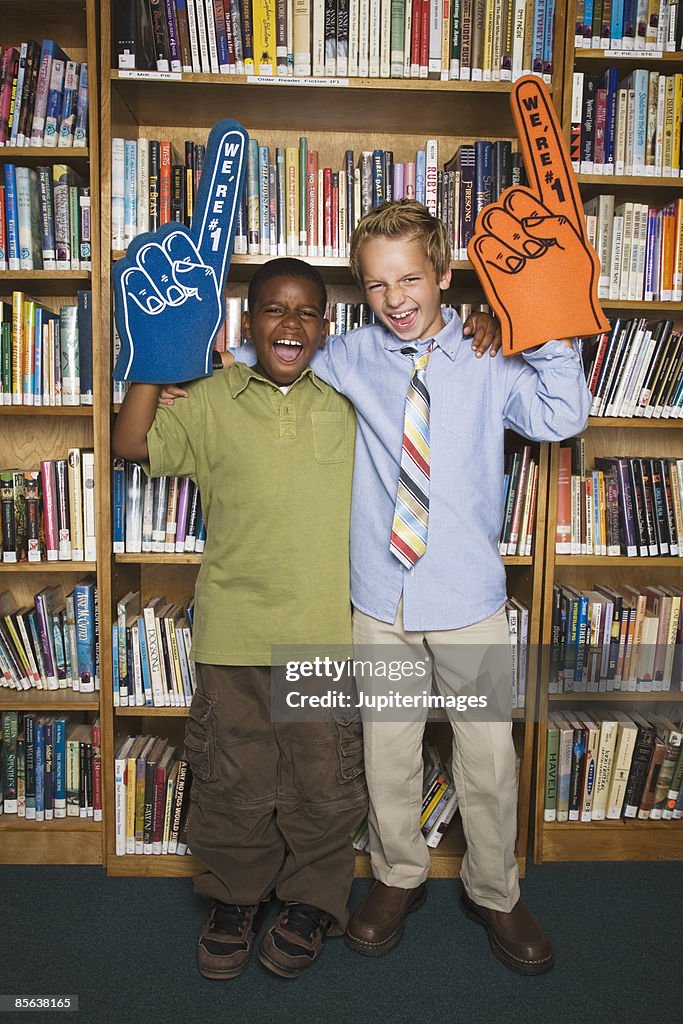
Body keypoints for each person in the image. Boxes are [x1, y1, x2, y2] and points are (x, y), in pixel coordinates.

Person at [217, 199, 591, 975]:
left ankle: (495, 891)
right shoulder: (350, 354)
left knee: (486, 755)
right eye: (377, 283)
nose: (395, 298)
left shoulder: (491, 356)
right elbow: (276, 359)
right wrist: (203, 387)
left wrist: (532, 326)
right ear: (362, 290)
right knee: (388, 754)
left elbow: (560, 416)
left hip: (470, 602)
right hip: (379, 601)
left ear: (444, 276)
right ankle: (397, 876)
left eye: (410, 278)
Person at [112, 259, 369, 981]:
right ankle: (235, 898)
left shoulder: (349, 399)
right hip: (231, 634)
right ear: (246, 322)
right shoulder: (212, 397)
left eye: (306, 312)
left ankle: (313, 900)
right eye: (273, 310)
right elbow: (131, 444)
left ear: (326, 324)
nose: (290, 325)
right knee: (234, 779)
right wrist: (154, 354)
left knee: (323, 782)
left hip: (321, 635)